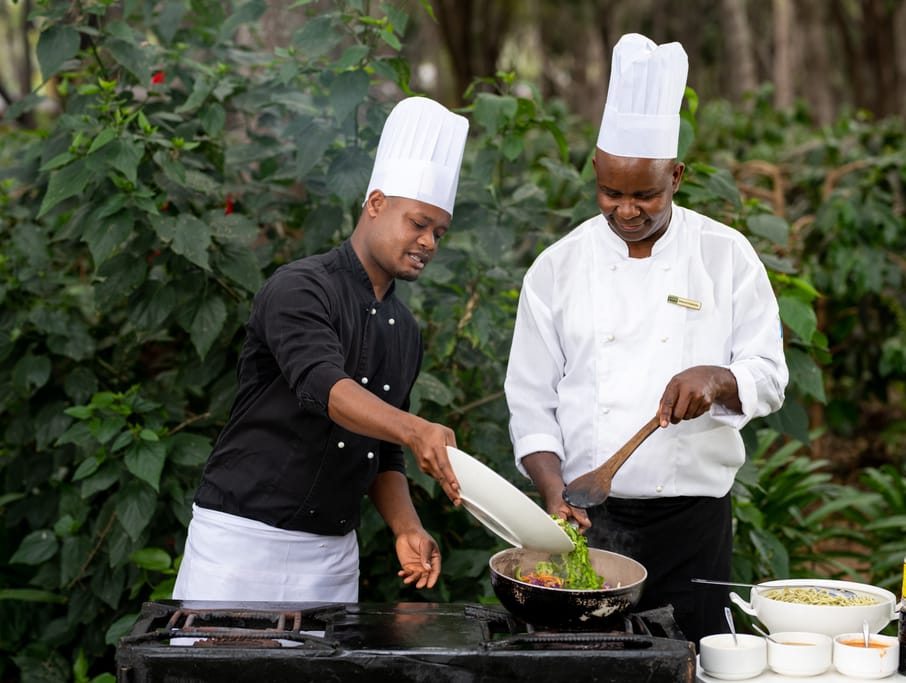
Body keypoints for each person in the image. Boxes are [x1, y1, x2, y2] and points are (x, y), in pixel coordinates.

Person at [504, 34, 788, 644]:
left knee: (685, 664)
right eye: (611, 192)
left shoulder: (726, 255)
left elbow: (769, 374)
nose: (625, 209)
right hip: (586, 523)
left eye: (644, 194)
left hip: (693, 529)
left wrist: (720, 380)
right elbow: (530, 402)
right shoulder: (558, 267)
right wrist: (555, 494)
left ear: (678, 176)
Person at [173, 96, 469, 603]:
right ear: (376, 204)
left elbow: (385, 449)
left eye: (438, 232)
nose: (428, 242)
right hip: (242, 542)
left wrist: (406, 527)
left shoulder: (405, 329)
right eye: (418, 223)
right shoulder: (300, 288)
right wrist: (417, 428)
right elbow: (323, 387)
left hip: (332, 555)